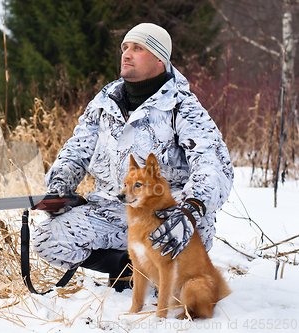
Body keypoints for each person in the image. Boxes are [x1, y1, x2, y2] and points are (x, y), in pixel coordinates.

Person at [31, 23, 234, 291]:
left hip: (167, 214)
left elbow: (213, 163)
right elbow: (76, 149)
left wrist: (191, 210)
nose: (126, 54)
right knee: (48, 239)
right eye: (125, 47)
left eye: (137, 48)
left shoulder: (182, 107)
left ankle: (162, 268)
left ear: (160, 58)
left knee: (187, 245)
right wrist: (59, 190)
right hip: (112, 208)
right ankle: (126, 268)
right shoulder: (105, 103)